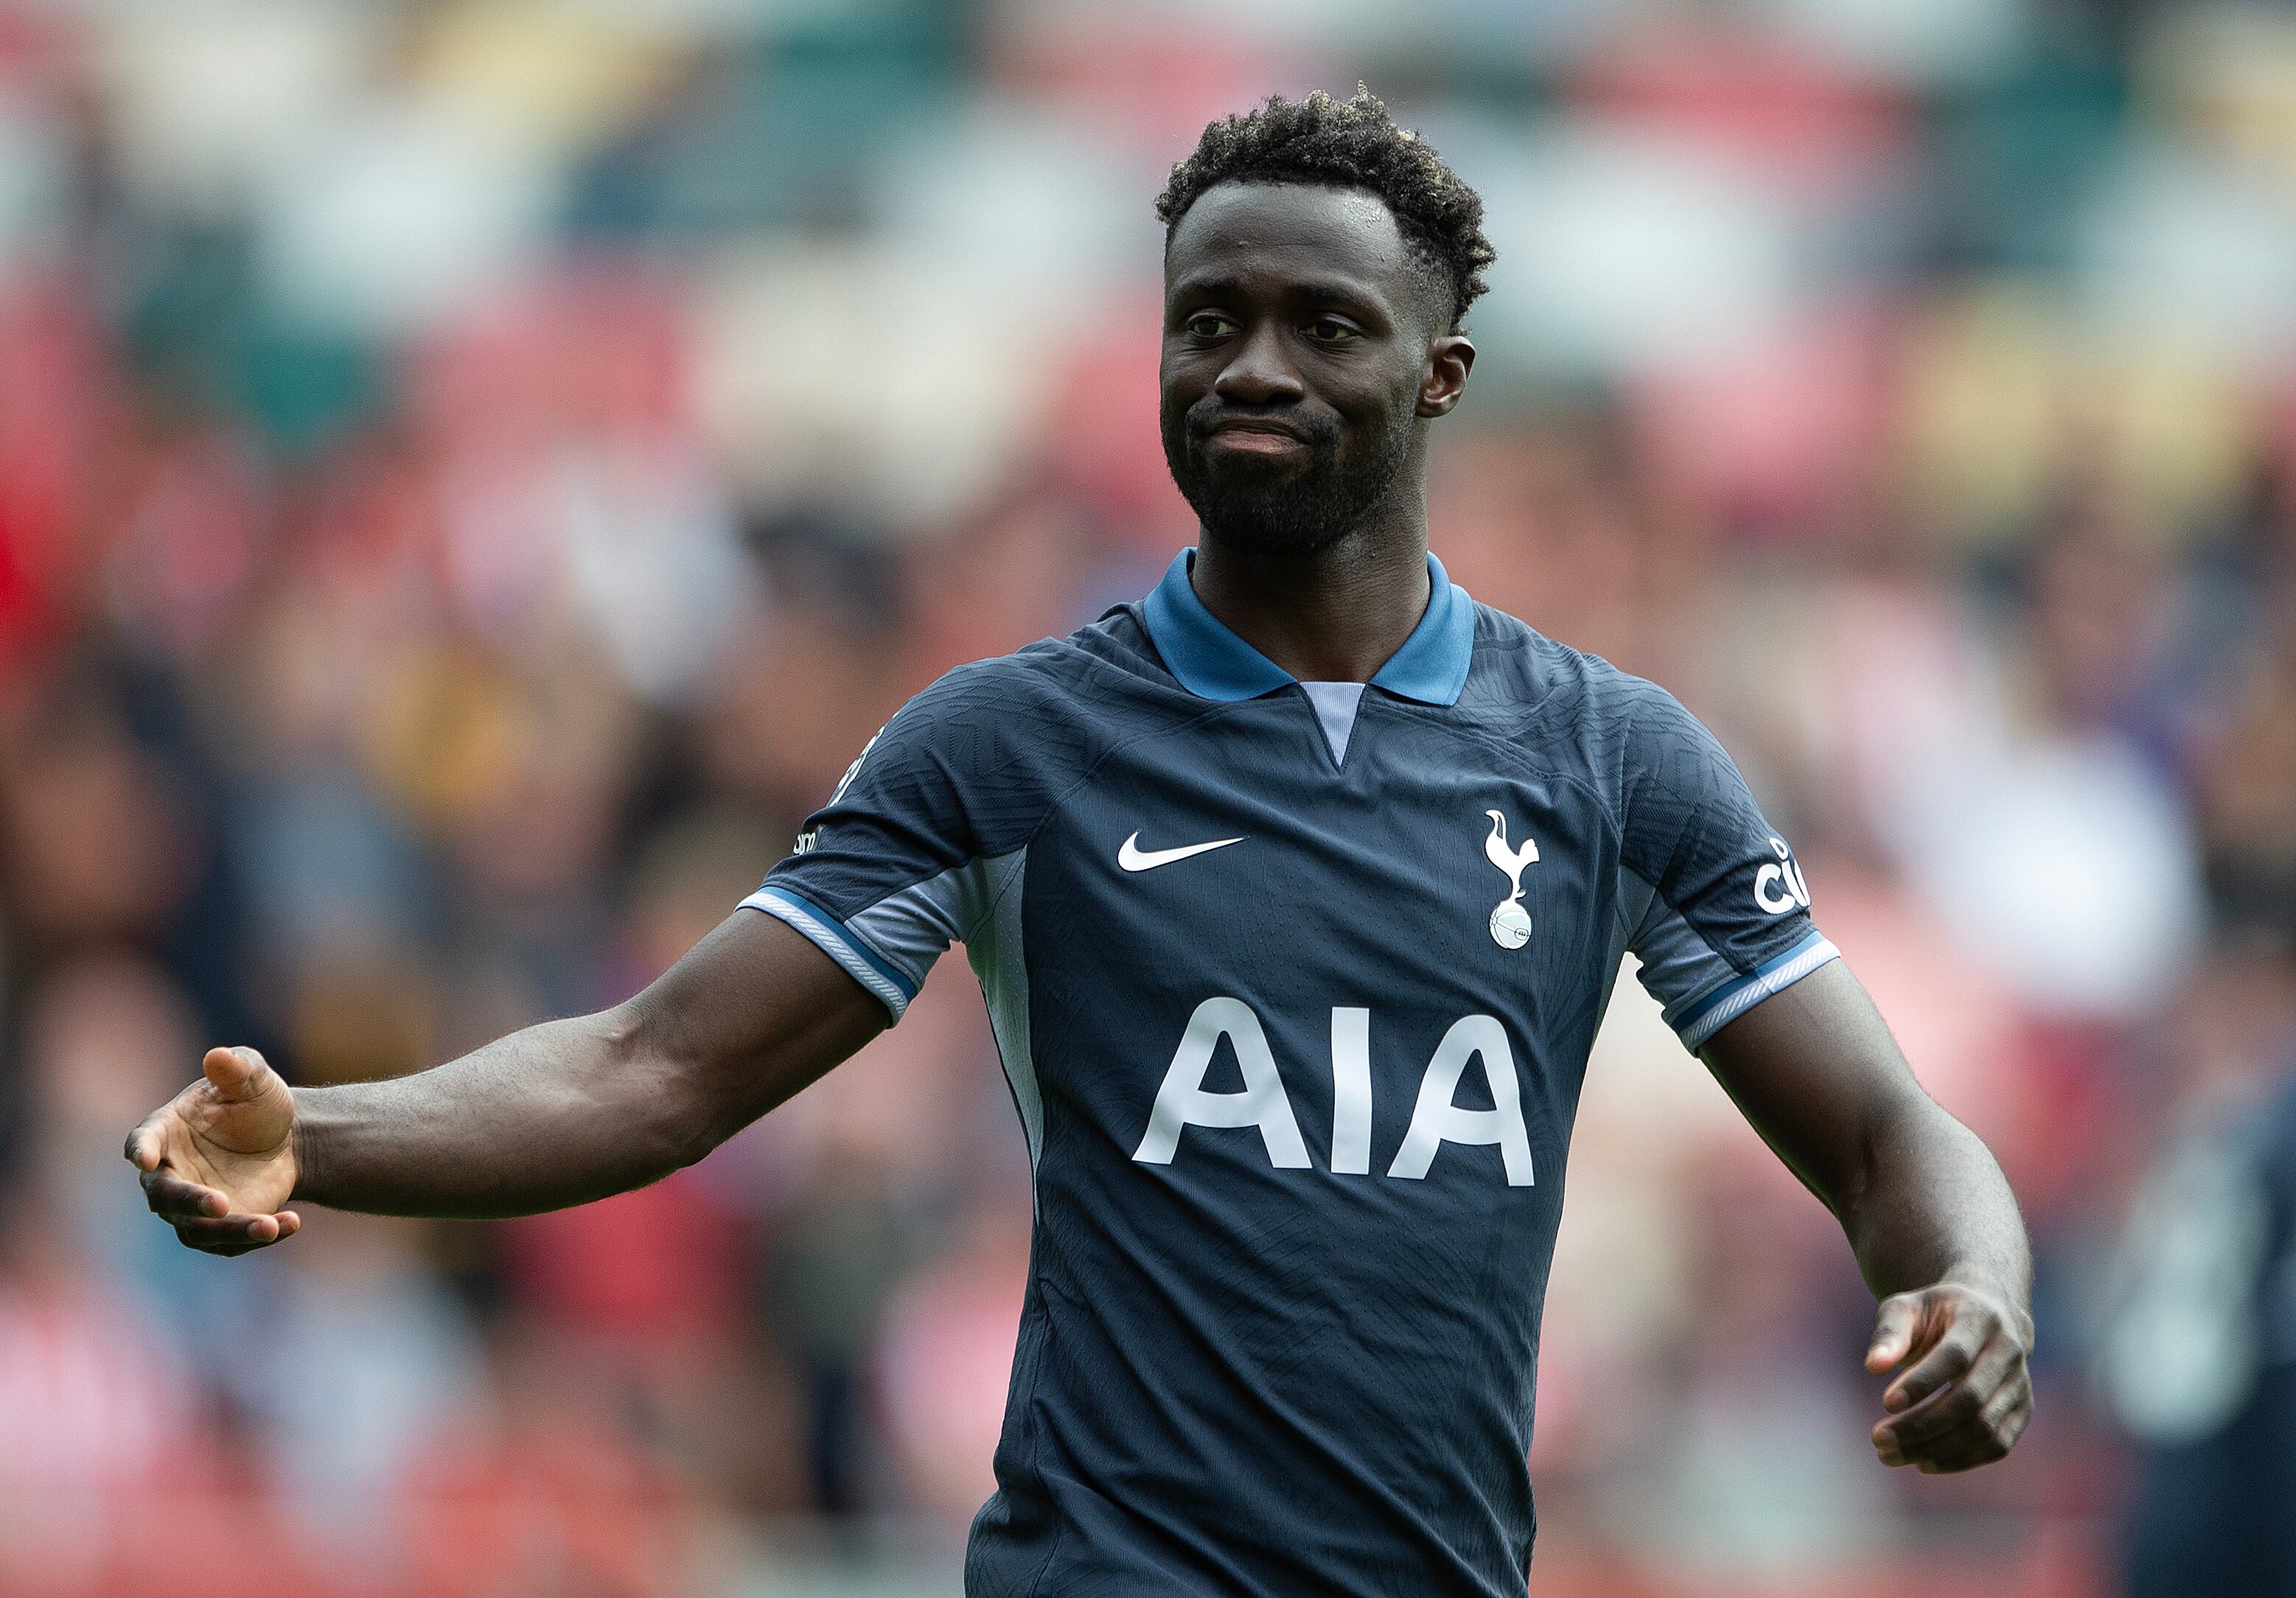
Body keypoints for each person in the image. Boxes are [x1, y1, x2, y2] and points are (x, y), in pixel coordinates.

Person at [126, 89, 2033, 1597]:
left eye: (1322, 325)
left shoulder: (1612, 761)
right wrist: (325, 1135)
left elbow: (1883, 1137)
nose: (1253, 366)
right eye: (1209, 320)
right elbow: (656, 1069)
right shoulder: (1012, 745)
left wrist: (1970, 1287)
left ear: (1438, 375)